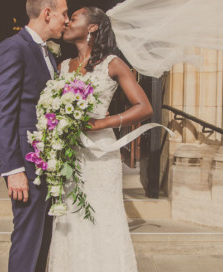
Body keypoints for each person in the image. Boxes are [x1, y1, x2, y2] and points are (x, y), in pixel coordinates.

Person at [46, 6, 153, 272]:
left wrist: (104, 122)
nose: (68, 23)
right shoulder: (63, 66)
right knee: (70, 216)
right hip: (69, 152)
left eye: (74, 18)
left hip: (100, 153)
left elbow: (144, 106)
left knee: (102, 216)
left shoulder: (113, 63)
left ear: (92, 27)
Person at [0, 0, 68, 271]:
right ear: (47, 14)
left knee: (41, 234)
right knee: (27, 236)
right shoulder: (13, 48)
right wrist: (12, 168)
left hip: (45, 160)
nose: (67, 20)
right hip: (25, 162)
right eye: (64, 13)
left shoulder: (46, 52)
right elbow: (3, 112)